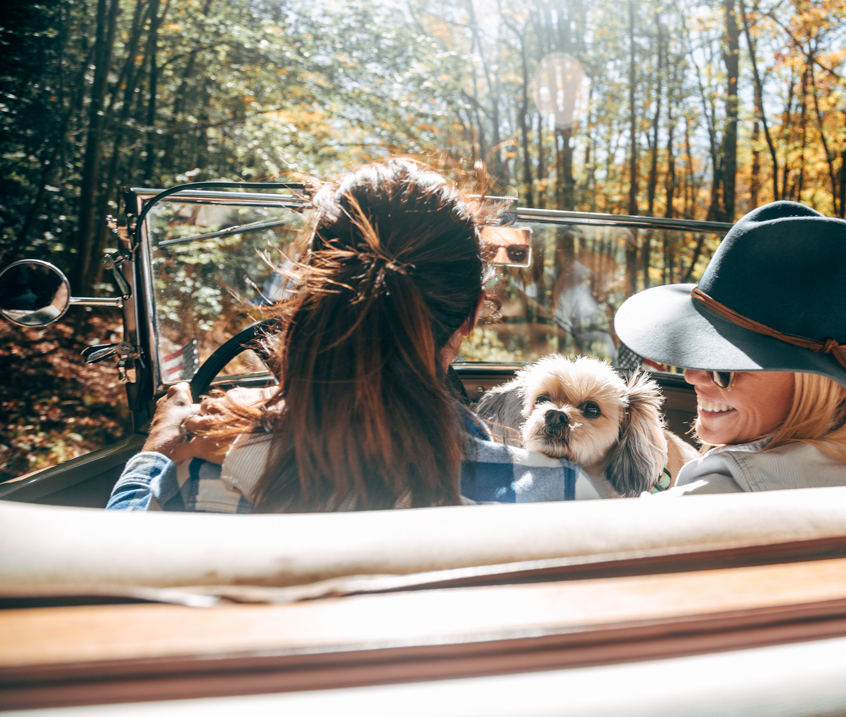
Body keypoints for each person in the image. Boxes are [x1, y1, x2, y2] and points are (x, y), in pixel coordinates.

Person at [108, 158, 599, 512]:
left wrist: (154, 454)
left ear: (310, 295)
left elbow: (109, 598)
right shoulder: (562, 497)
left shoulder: (194, 473)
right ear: (469, 317)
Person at [613, 201, 846, 496]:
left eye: (724, 368)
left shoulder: (707, 499)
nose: (693, 376)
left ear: (824, 385)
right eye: (694, 358)